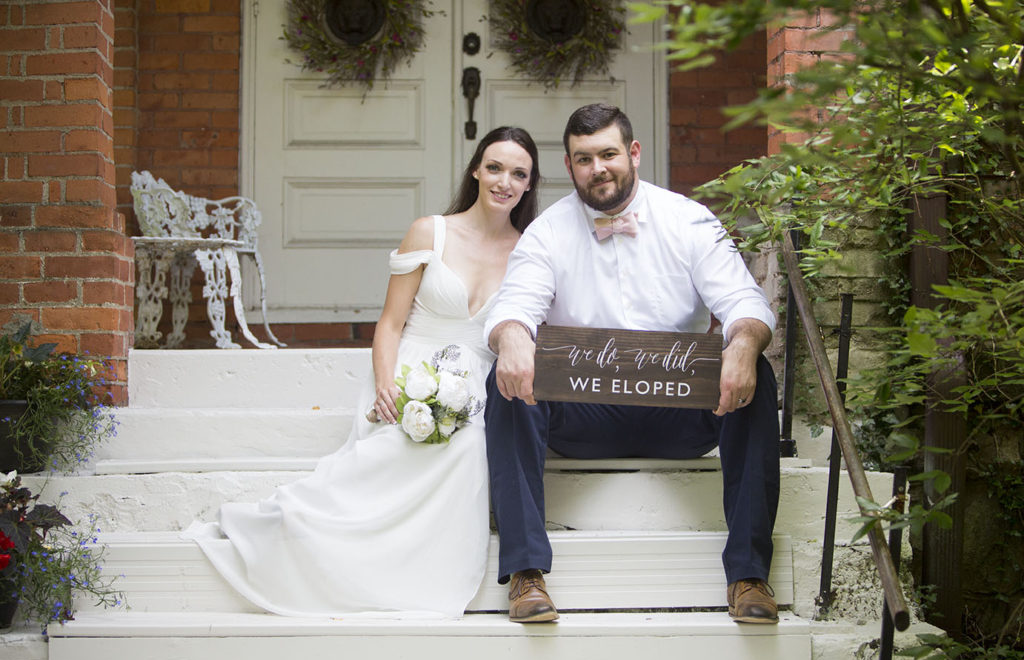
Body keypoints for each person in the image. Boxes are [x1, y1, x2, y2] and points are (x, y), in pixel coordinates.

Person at [185, 126, 540, 617]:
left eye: (518, 174)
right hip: (414, 369)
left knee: (470, 446)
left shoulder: (529, 250)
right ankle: (296, 530)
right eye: (495, 167)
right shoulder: (430, 231)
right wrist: (387, 384)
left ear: (528, 185)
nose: (504, 181)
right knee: (397, 447)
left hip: (477, 386)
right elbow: (391, 323)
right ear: (477, 169)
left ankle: (415, 577)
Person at [483, 104, 780, 624]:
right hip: (584, 416)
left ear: (633, 153)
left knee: (757, 371)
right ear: (570, 165)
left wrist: (743, 343)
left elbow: (745, 300)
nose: (597, 168)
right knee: (506, 380)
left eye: (608, 154)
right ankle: (527, 573)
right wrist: (510, 336)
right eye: (583, 158)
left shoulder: (688, 219)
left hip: (679, 416)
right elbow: (516, 305)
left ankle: (749, 575)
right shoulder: (548, 232)